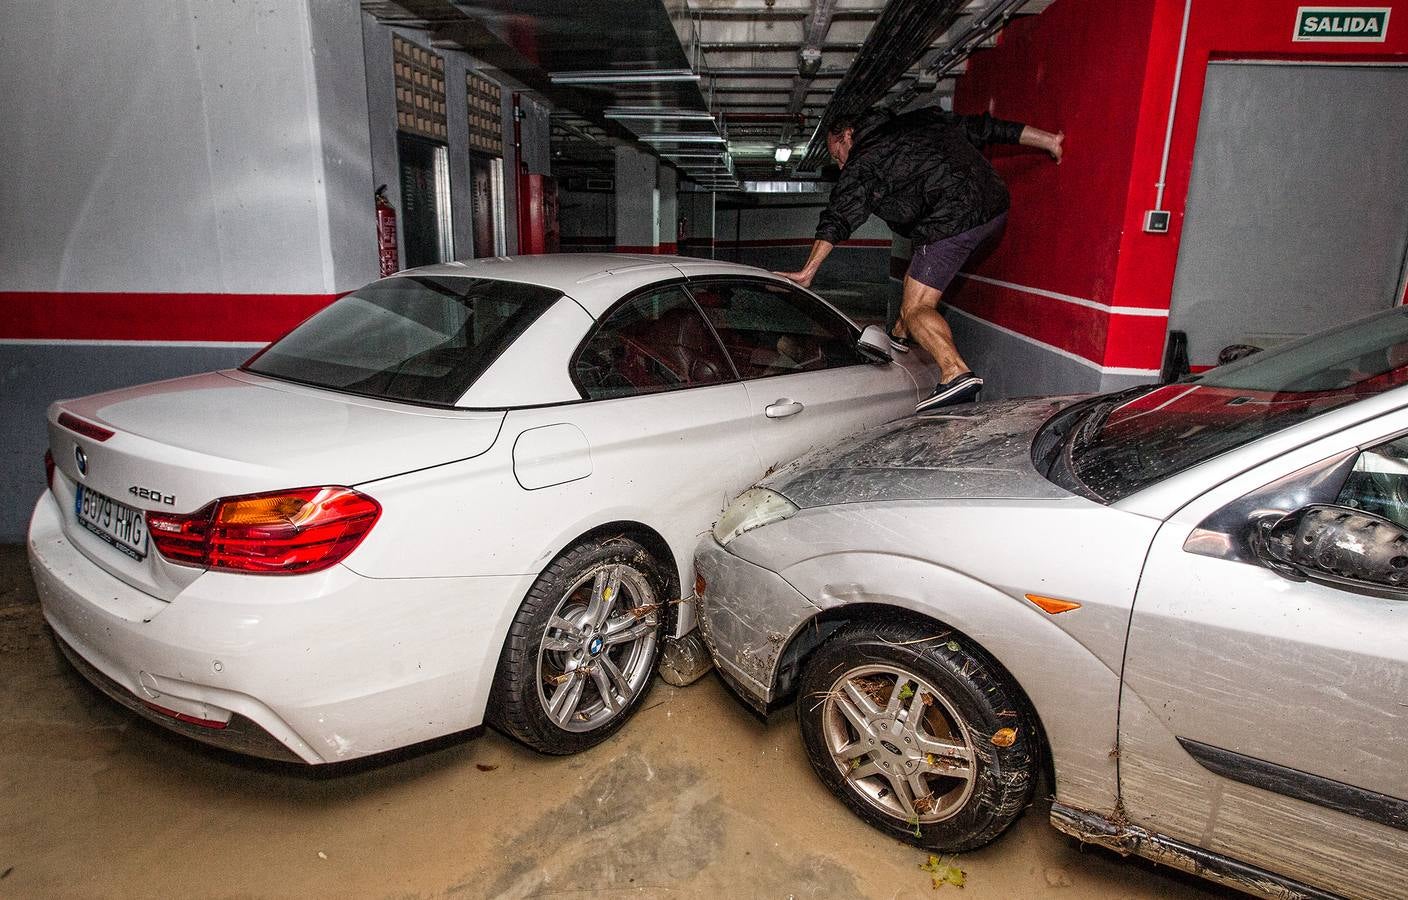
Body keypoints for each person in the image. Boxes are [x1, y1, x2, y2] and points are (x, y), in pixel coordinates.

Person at [776, 107, 1063, 412]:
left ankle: (954, 371)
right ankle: (898, 339)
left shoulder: (864, 160)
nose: (841, 162)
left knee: (917, 307)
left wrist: (809, 270)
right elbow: (983, 127)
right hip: (994, 205)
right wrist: (1049, 141)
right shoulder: (921, 118)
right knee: (917, 280)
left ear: (848, 134)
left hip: (950, 219)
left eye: (837, 154)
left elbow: (839, 214)